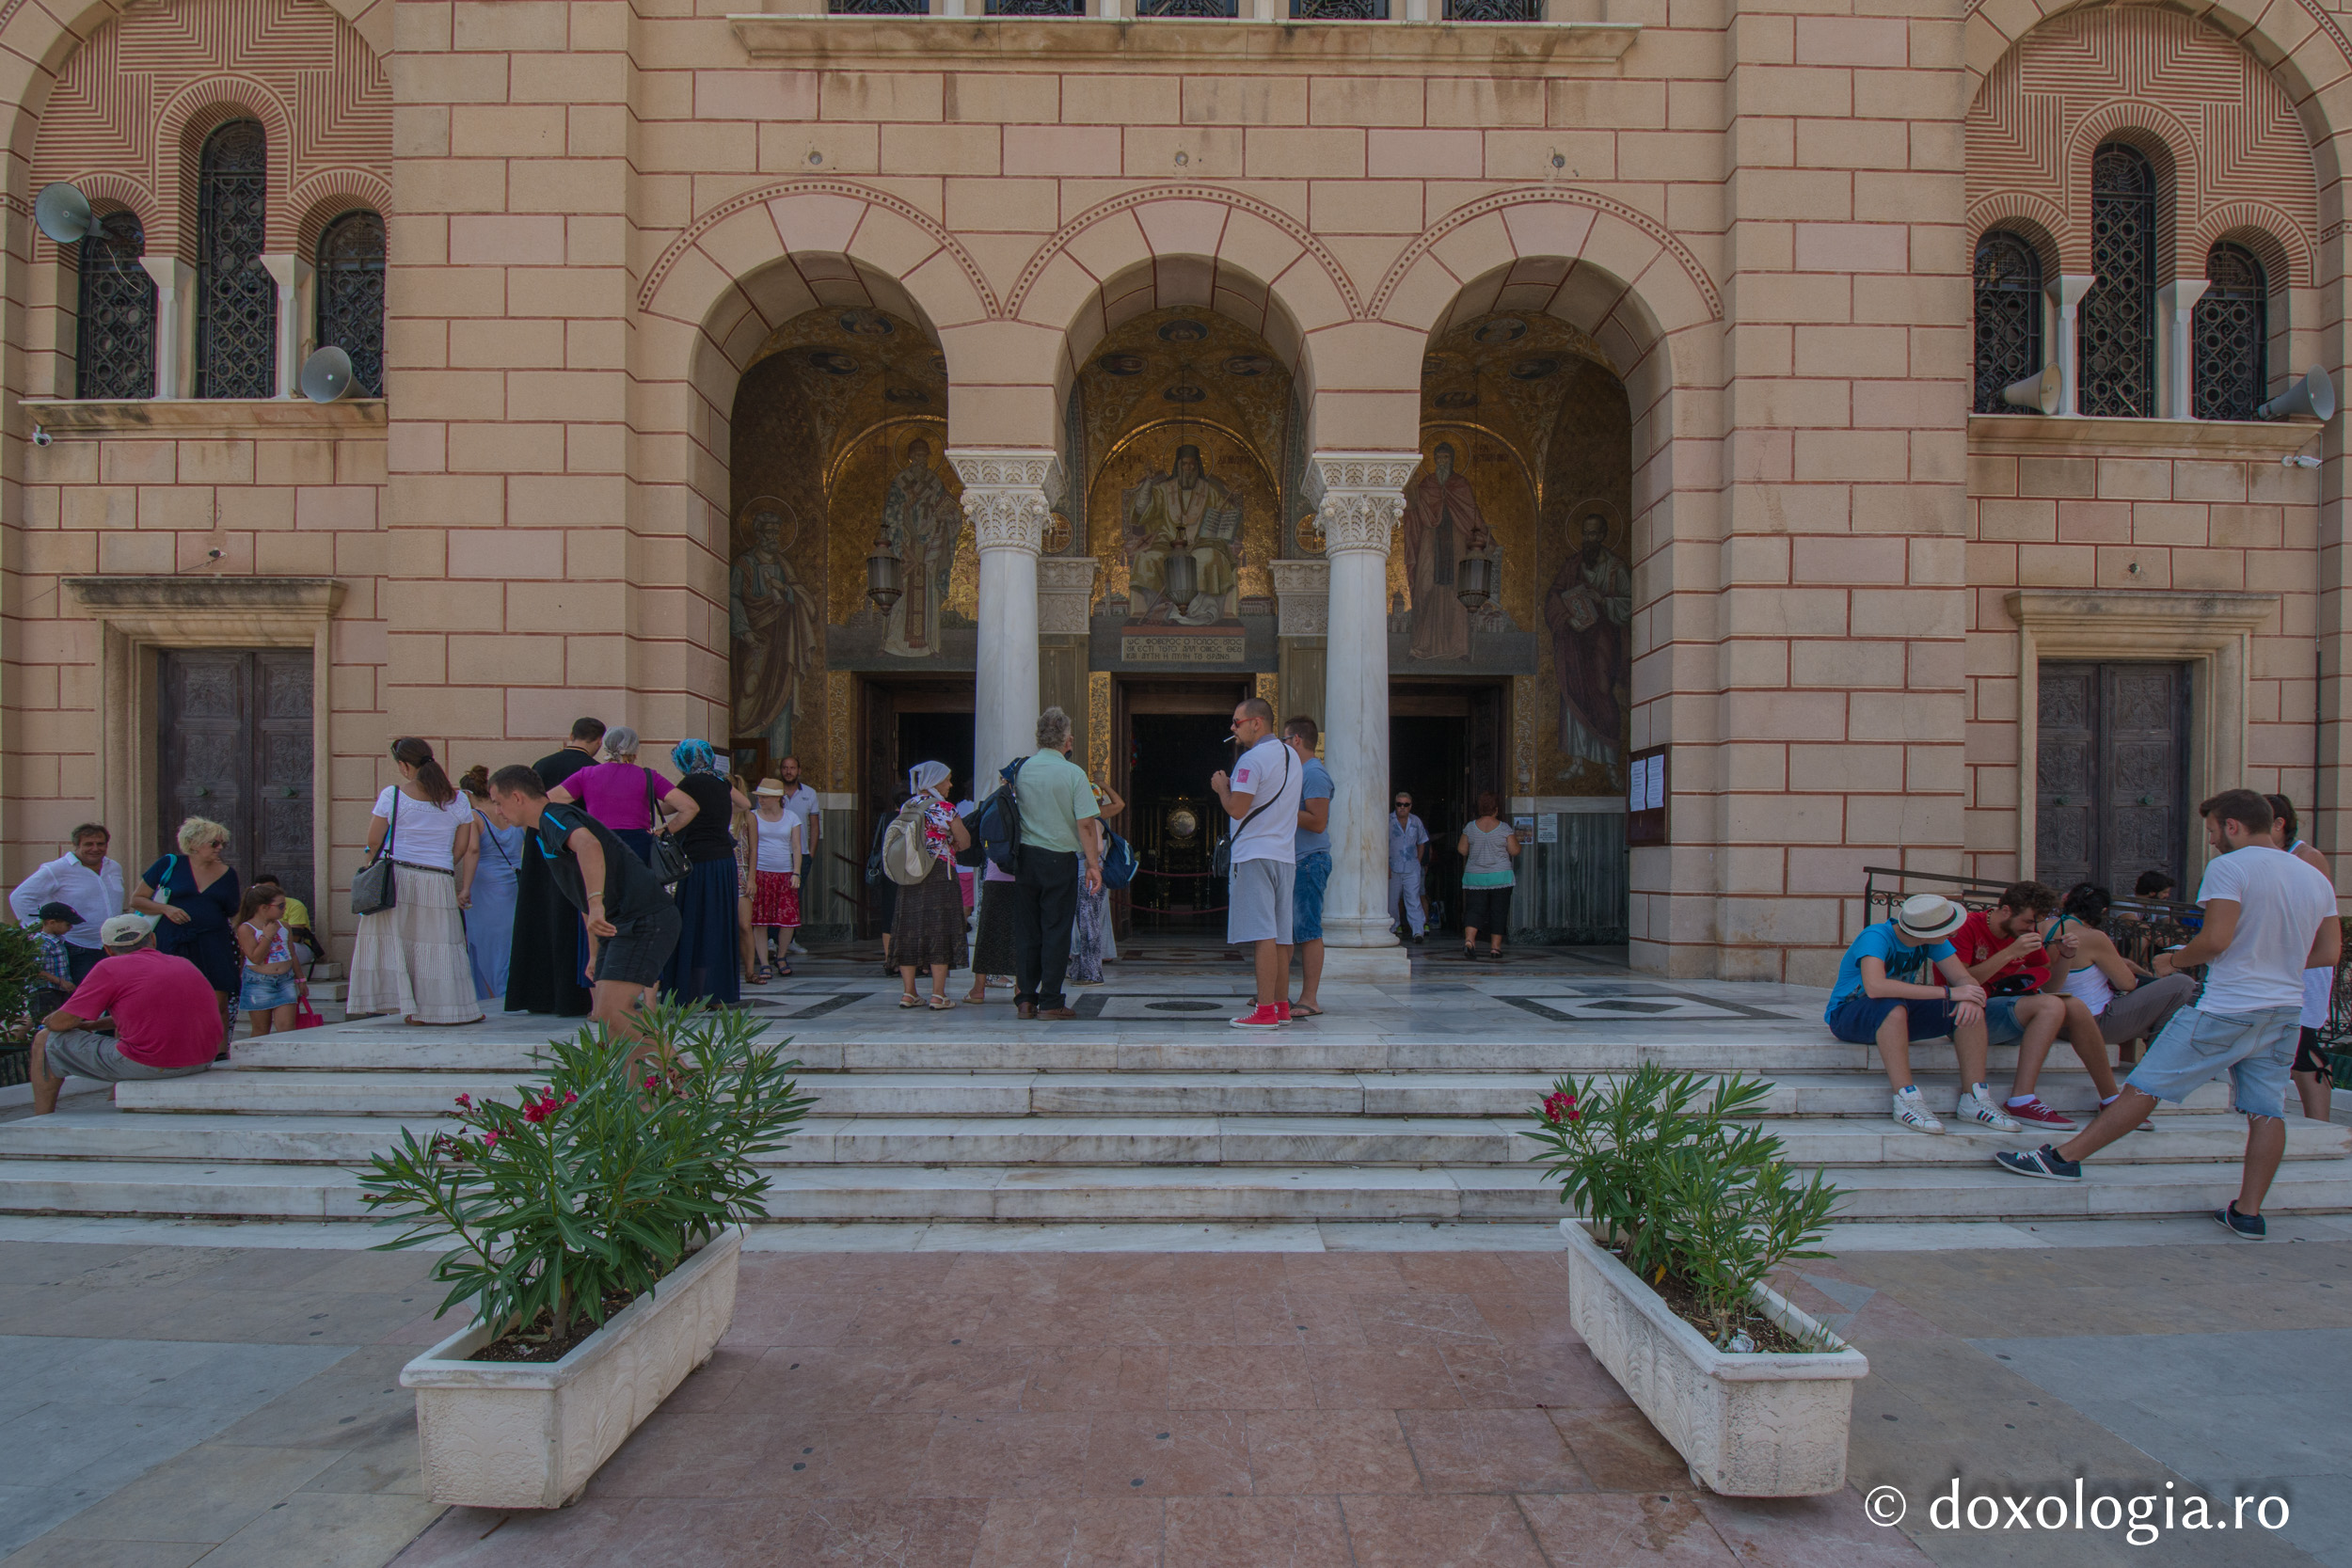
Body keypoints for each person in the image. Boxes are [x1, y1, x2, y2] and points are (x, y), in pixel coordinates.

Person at [1994, 790, 2343, 1238]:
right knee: (2266, 1110)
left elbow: (2215, 940)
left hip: (2229, 1005)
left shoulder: (2229, 867)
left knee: (2145, 1085)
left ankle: (2062, 1159)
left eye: (2214, 829)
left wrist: (2173, 962)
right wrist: (2278, 961)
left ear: (2233, 825)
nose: (2213, 840)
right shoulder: (2313, 875)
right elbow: (2329, 951)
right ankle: (2248, 1212)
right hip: (2284, 1009)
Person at [487, 766, 682, 1064]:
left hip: (644, 918)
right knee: (608, 1020)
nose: (498, 811)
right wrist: (594, 953)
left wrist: (597, 904)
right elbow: (581, 892)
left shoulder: (554, 817)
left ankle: (685, 1086)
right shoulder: (545, 828)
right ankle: (638, 1103)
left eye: (498, 802)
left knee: (612, 1013)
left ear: (516, 797)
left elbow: (589, 846)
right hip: (623, 924)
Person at [1824, 892, 2025, 1134]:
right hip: (1848, 1015)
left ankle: (1975, 1098)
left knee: (1969, 1010)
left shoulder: (1934, 942)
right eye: (1949, 929)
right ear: (1927, 932)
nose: (1954, 932)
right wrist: (1950, 993)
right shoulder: (1876, 936)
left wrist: (1970, 995)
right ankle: (1907, 1099)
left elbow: (1961, 977)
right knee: (1894, 1007)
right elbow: (1875, 987)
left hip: (1896, 1012)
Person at [1947, 881, 2114, 1129]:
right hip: (1966, 1017)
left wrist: (2066, 956)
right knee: (2050, 1006)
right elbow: (1961, 981)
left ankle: (2111, 1097)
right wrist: (2010, 953)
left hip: (2006, 1010)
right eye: (2027, 921)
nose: (2032, 928)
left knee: (2075, 1006)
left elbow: (2050, 986)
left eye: (2036, 922)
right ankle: (2021, 1099)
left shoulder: (2025, 935)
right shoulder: (1970, 926)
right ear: (2006, 911)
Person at [348, 737, 484, 1027]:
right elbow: (461, 847)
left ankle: (409, 1009)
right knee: (440, 944)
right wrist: (440, 864)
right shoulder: (458, 799)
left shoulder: (393, 795)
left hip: (398, 876)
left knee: (402, 943)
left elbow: (373, 841)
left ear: (404, 765)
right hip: (438, 877)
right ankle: (447, 1006)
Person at [25, 913, 220, 1115]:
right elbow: (146, 1016)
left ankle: (41, 1117)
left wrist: (51, 1020)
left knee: (45, 1039)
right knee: (127, 1032)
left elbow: (61, 1023)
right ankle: (115, 1100)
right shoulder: (183, 963)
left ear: (108, 949)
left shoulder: (109, 967)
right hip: (203, 1060)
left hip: (155, 1064)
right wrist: (91, 1026)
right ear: (152, 939)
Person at [2037, 882, 2197, 1105]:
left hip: (2059, 1023)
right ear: (2102, 911)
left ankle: (2140, 1056)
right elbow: (2127, 983)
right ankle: (2158, 1060)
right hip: (2095, 1023)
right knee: (2182, 984)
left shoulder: (2045, 927)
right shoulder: (2093, 936)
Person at [1214, 697, 1305, 1030]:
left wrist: (1222, 788)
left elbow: (1237, 808)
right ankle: (1281, 1005)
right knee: (1281, 935)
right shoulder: (1292, 756)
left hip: (1254, 854)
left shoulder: (1251, 760)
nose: (1232, 728)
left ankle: (1264, 1009)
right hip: (1284, 854)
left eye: (1236, 722)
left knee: (1263, 934)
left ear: (1257, 722)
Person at [505, 721, 605, 1017]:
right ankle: (579, 996)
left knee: (541, 915)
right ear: (599, 741)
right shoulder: (592, 771)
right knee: (578, 920)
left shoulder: (542, 766)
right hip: (578, 851)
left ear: (570, 735)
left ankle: (539, 994)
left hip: (541, 852)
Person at [1012, 707, 1102, 1021]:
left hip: (1024, 859)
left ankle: (1025, 1000)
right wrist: (1093, 864)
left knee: (1027, 930)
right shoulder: (1072, 773)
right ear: (1068, 740)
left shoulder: (1020, 770)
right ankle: (1050, 1001)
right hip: (1059, 859)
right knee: (1056, 930)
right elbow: (1087, 825)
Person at [131, 816, 242, 1041]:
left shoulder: (227, 873)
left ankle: (218, 1051)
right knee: (170, 995)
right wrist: (166, 909)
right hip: (173, 939)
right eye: (214, 843)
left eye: (222, 843)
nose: (219, 848)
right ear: (193, 843)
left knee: (218, 997)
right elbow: (137, 900)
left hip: (214, 940)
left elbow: (233, 911)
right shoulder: (169, 864)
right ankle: (172, 1044)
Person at [2265, 795, 2337, 1122]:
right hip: (2276, 965)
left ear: (2280, 824)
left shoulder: (2308, 858)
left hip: (2305, 965)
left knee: (2304, 1046)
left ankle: (2320, 1124)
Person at [660, 740, 744, 1006]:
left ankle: (691, 992)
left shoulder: (690, 784)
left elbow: (663, 809)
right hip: (723, 863)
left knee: (695, 925)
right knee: (718, 925)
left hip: (699, 863)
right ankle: (718, 991)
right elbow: (745, 802)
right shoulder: (722, 782)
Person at [549, 727, 695, 870]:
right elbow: (690, 807)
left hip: (599, 842)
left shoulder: (587, 774)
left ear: (605, 747)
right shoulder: (648, 776)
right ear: (634, 751)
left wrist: (575, 830)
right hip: (639, 846)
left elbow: (548, 801)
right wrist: (664, 831)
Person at [890, 761, 972, 1009]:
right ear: (935, 781)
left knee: (909, 928)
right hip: (939, 874)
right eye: (947, 779)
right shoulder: (945, 809)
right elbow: (965, 841)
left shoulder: (908, 805)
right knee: (940, 929)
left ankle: (909, 993)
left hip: (910, 874)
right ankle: (938, 995)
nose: (950, 784)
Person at [9, 824, 124, 984]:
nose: (95, 848)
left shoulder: (114, 867)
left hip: (112, 947)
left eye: (100, 844)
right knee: (83, 1000)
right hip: (77, 947)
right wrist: (40, 930)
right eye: (88, 844)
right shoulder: (57, 869)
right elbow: (20, 897)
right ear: (77, 845)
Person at [458, 767, 524, 1002]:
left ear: (467, 794)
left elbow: (472, 849)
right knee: (508, 945)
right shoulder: (507, 813)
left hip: (485, 889)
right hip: (514, 885)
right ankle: (510, 993)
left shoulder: (474, 817)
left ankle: (493, 997)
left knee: (485, 946)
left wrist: (465, 888)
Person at [1285, 717, 1332, 1018]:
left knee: (1309, 930)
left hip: (1309, 860)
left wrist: (1283, 805)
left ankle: (1309, 998)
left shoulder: (1314, 772)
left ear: (1297, 740)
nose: (1284, 746)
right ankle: (1276, 993)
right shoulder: (1299, 771)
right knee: (1286, 932)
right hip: (1294, 859)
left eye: (1285, 740)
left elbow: (1317, 822)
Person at [1068, 758, 1126, 988]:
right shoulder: (1081, 816)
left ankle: (1091, 971)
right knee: (1084, 922)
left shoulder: (1094, 817)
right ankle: (1081, 969)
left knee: (1089, 922)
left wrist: (1102, 785)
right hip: (1083, 871)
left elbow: (1119, 804)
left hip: (1089, 872)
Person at [747, 778, 803, 981]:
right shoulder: (752, 817)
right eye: (759, 796)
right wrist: (750, 877)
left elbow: (796, 846)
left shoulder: (791, 817)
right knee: (760, 920)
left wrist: (796, 872)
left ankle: (781, 956)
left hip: (785, 872)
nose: (761, 799)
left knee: (788, 920)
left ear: (777, 798)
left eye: (765, 796)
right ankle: (763, 962)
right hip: (760, 871)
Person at [961, 794, 1016, 1006]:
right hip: (1022, 876)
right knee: (1021, 933)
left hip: (996, 875)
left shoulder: (994, 805)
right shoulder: (1026, 805)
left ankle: (978, 989)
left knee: (988, 932)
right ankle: (1021, 992)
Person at [1457, 794, 1520, 962]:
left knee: (1474, 910)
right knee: (1498, 912)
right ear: (1496, 809)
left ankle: (1470, 942)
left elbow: (1462, 850)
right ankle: (1495, 948)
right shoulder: (1504, 828)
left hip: (1475, 877)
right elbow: (1514, 851)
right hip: (1500, 877)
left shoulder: (1470, 827)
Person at [234, 883, 300, 1037]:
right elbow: (255, 958)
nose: (284, 909)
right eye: (281, 905)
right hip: (259, 981)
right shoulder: (246, 928)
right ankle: (256, 1060)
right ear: (264, 907)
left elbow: (292, 953)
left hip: (285, 980)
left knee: (287, 1027)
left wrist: (300, 978)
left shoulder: (284, 926)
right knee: (261, 1029)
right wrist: (268, 936)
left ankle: (285, 1059)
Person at [777, 755, 821, 957]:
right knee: (774, 897)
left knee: (794, 898)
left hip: (801, 855)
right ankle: (771, 939)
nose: (789, 771)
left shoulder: (809, 794)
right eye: (785, 768)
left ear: (799, 770)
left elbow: (814, 825)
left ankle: (791, 939)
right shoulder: (773, 793)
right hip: (777, 854)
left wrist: (810, 853)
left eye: (792, 768)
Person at [26, 903, 78, 1022]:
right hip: (44, 991)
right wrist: (61, 982)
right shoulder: (42, 942)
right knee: (45, 1023)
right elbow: (35, 969)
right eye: (68, 924)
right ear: (51, 922)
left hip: (58, 991)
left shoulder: (58, 940)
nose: (71, 928)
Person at [1388, 795, 1429, 944]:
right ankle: (1393, 928)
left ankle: (1418, 931)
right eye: (1399, 804)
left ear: (1410, 806)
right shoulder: (1388, 821)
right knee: (1392, 901)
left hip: (1412, 868)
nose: (1402, 807)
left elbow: (1422, 841)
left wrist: (1418, 861)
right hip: (1393, 867)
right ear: (1395, 804)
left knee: (1413, 899)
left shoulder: (1416, 821)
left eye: (1406, 804)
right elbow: (1381, 843)